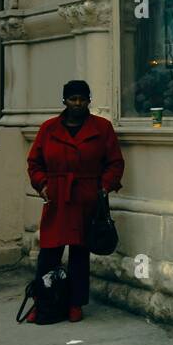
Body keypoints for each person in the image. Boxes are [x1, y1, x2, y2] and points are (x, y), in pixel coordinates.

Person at [24, 80, 124, 323]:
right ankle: (44, 302)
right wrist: (43, 185)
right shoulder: (48, 128)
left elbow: (115, 162)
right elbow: (34, 163)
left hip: (86, 198)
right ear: (64, 101)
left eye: (82, 99)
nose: (78, 103)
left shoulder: (102, 128)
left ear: (89, 100)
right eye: (73, 99)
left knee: (80, 254)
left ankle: (75, 304)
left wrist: (102, 189)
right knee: (49, 253)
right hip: (57, 198)